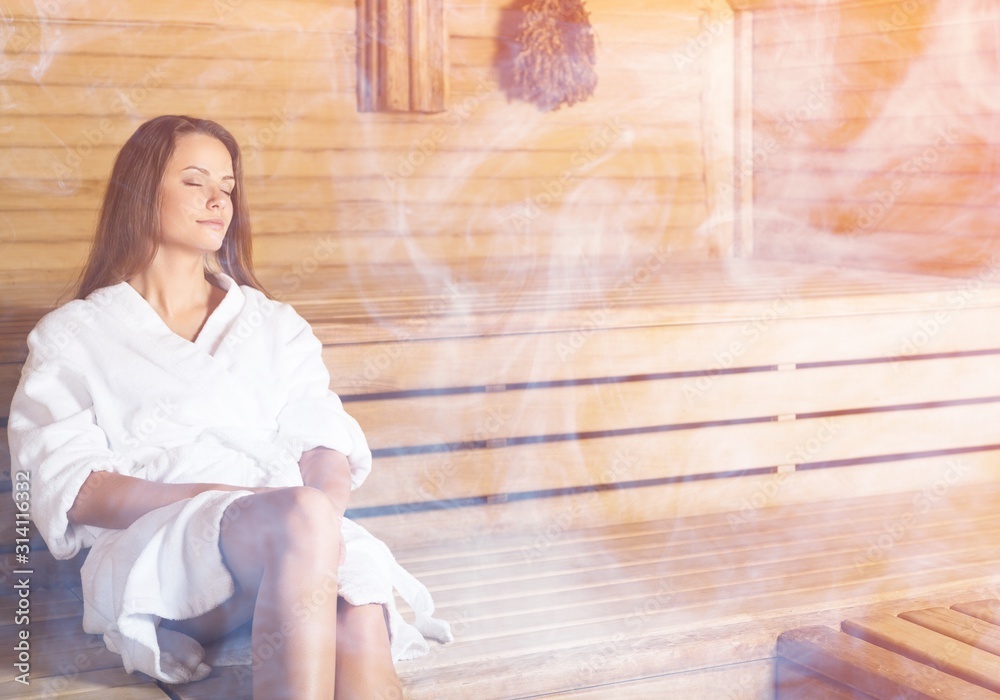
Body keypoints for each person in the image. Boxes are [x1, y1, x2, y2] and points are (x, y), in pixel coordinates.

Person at [7, 115, 450, 699]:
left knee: (358, 610)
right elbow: (66, 485)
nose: (219, 199)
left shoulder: (273, 324)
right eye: (195, 182)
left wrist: (317, 520)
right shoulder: (74, 336)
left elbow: (323, 443)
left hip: (293, 539)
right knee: (307, 530)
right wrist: (221, 498)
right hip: (160, 560)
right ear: (142, 192)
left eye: (228, 186)